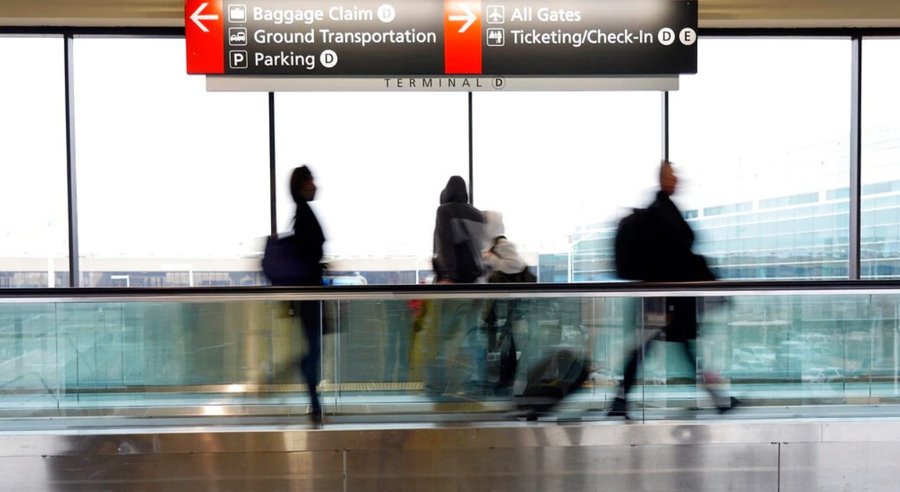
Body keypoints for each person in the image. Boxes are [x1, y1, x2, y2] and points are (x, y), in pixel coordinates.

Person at [608, 160, 738, 418]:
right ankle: (718, 400)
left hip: (661, 298)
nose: (676, 179)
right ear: (663, 179)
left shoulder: (660, 210)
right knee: (671, 349)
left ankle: (620, 401)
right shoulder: (663, 212)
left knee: (662, 349)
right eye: (671, 175)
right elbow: (677, 257)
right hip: (666, 301)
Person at [288, 165, 326, 425]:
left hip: (309, 294)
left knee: (314, 349)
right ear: (302, 185)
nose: (315, 185)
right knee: (313, 350)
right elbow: (308, 255)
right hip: (310, 294)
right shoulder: (304, 216)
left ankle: (315, 403)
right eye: (311, 180)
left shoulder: (302, 214)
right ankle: (315, 403)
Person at [432, 176, 485, 283]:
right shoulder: (479, 215)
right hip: (477, 276)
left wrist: (448, 275)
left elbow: (444, 243)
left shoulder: (445, 211)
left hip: (455, 277)